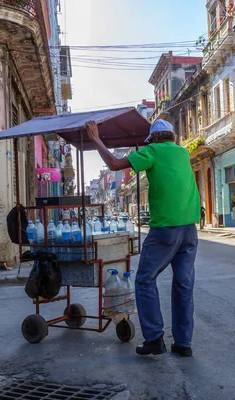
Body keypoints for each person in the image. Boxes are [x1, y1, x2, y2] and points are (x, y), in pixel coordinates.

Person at [85, 119, 200, 357]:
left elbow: (115, 163)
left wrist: (96, 139)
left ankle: (155, 338)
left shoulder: (152, 150)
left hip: (165, 229)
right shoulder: (182, 152)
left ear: (155, 139)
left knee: (145, 280)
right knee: (184, 285)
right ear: (172, 136)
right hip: (189, 228)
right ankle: (183, 344)